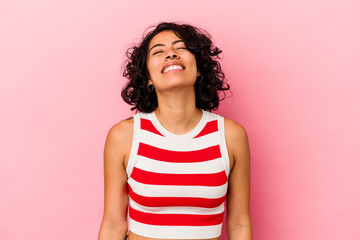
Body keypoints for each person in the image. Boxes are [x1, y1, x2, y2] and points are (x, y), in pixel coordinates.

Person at [98, 22, 252, 240]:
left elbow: (239, 224)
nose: (171, 54)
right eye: (158, 51)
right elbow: (113, 226)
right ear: (148, 79)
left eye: (181, 48)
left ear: (199, 69)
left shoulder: (231, 136)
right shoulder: (124, 136)